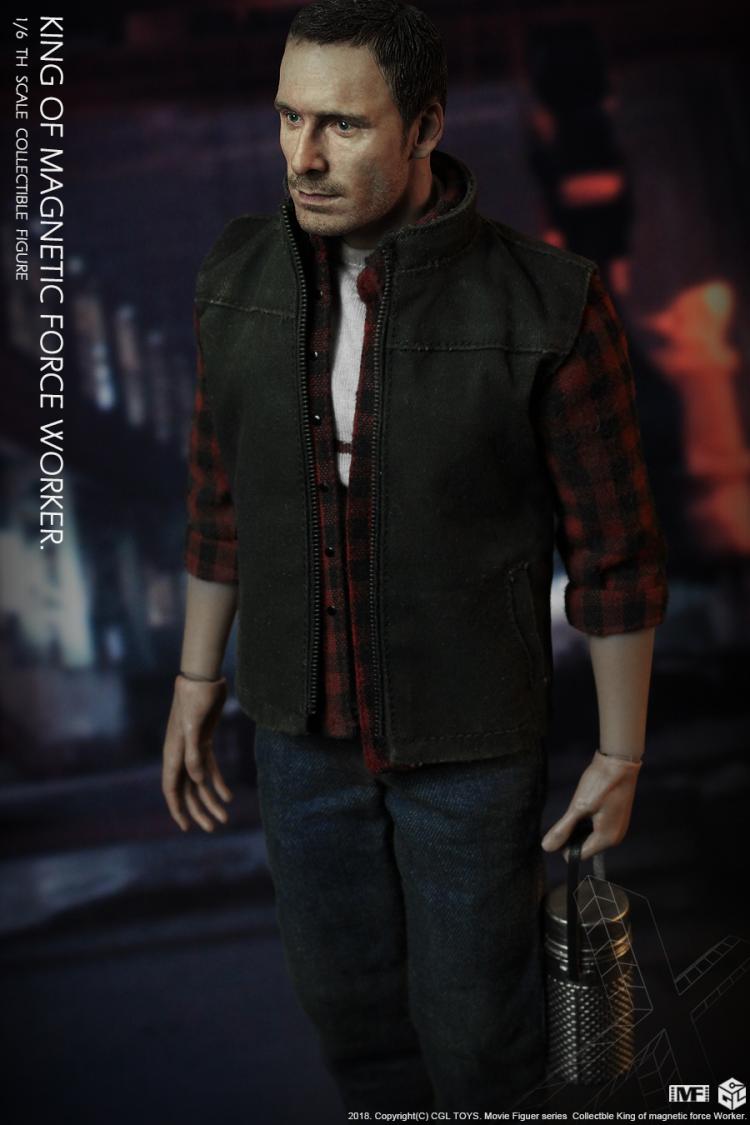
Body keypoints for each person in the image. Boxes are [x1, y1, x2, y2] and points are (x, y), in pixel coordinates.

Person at [161, 0, 669, 1113]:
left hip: (468, 739)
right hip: (297, 734)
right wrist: (198, 679)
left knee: (483, 1039)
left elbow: (616, 551)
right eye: (289, 117)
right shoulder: (237, 276)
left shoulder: (548, 302)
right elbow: (218, 497)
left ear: (426, 126)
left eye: (342, 125)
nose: (302, 156)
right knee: (352, 1021)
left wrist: (621, 752)